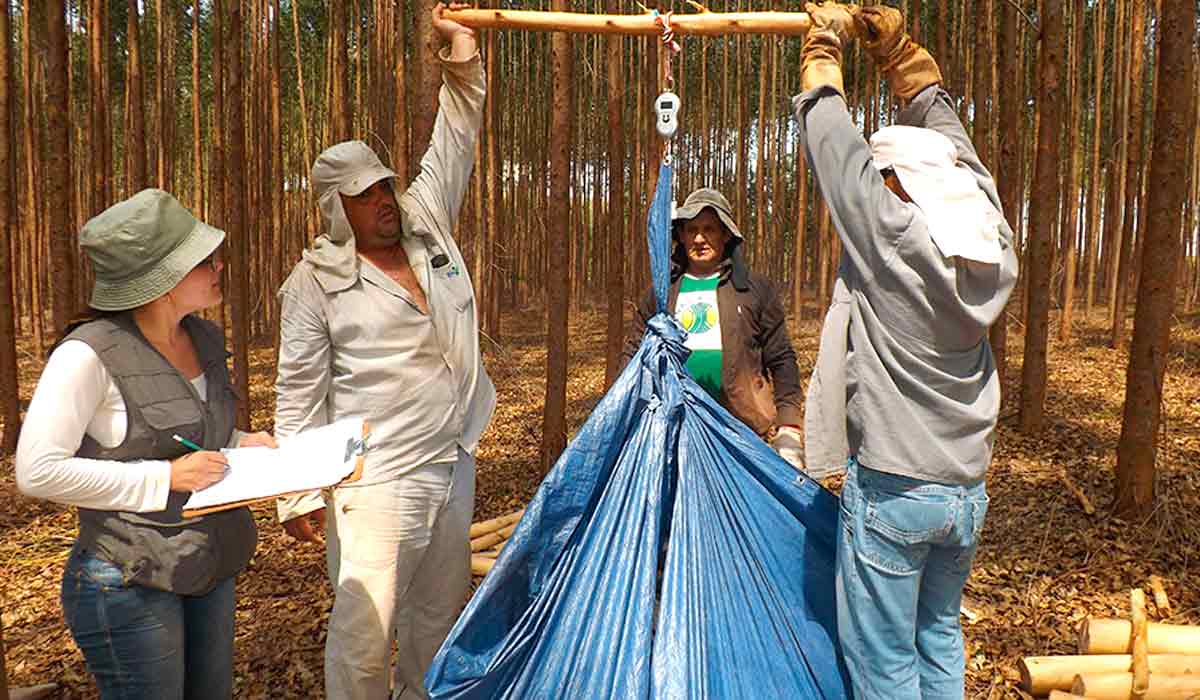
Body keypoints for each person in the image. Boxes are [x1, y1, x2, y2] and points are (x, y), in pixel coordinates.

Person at [793, 3, 1019, 698]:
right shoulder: (990, 232)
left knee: (885, 663)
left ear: (902, 187)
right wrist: (899, 56)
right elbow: (954, 144)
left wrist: (823, 44)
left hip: (896, 489)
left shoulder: (896, 239)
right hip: (964, 494)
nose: (883, 188)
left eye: (890, 181)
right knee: (939, 636)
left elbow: (831, 137)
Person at [272, 3, 495, 698]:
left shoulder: (427, 224)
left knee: (436, 622)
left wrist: (459, 49)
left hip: (451, 461)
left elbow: (456, 133)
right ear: (337, 209)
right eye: (364, 196)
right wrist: (300, 490)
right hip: (375, 483)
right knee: (366, 633)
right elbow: (298, 392)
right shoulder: (315, 283)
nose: (383, 201)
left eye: (384, 186)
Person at [15, 188, 276, 699]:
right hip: (128, 580)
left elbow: (191, 435)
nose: (219, 267)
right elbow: (37, 470)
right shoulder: (87, 355)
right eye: (203, 261)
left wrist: (245, 443)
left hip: (207, 564)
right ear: (163, 282)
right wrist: (164, 479)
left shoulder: (200, 338)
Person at [622, 188, 805, 469]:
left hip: (742, 431)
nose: (699, 238)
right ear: (680, 237)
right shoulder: (661, 293)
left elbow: (781, 357)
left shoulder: (754, 290)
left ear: (726, 234)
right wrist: (619, 413)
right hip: (674, 429)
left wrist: (789, 425)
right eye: (691, 230)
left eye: (709, 229)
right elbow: (633, 354)